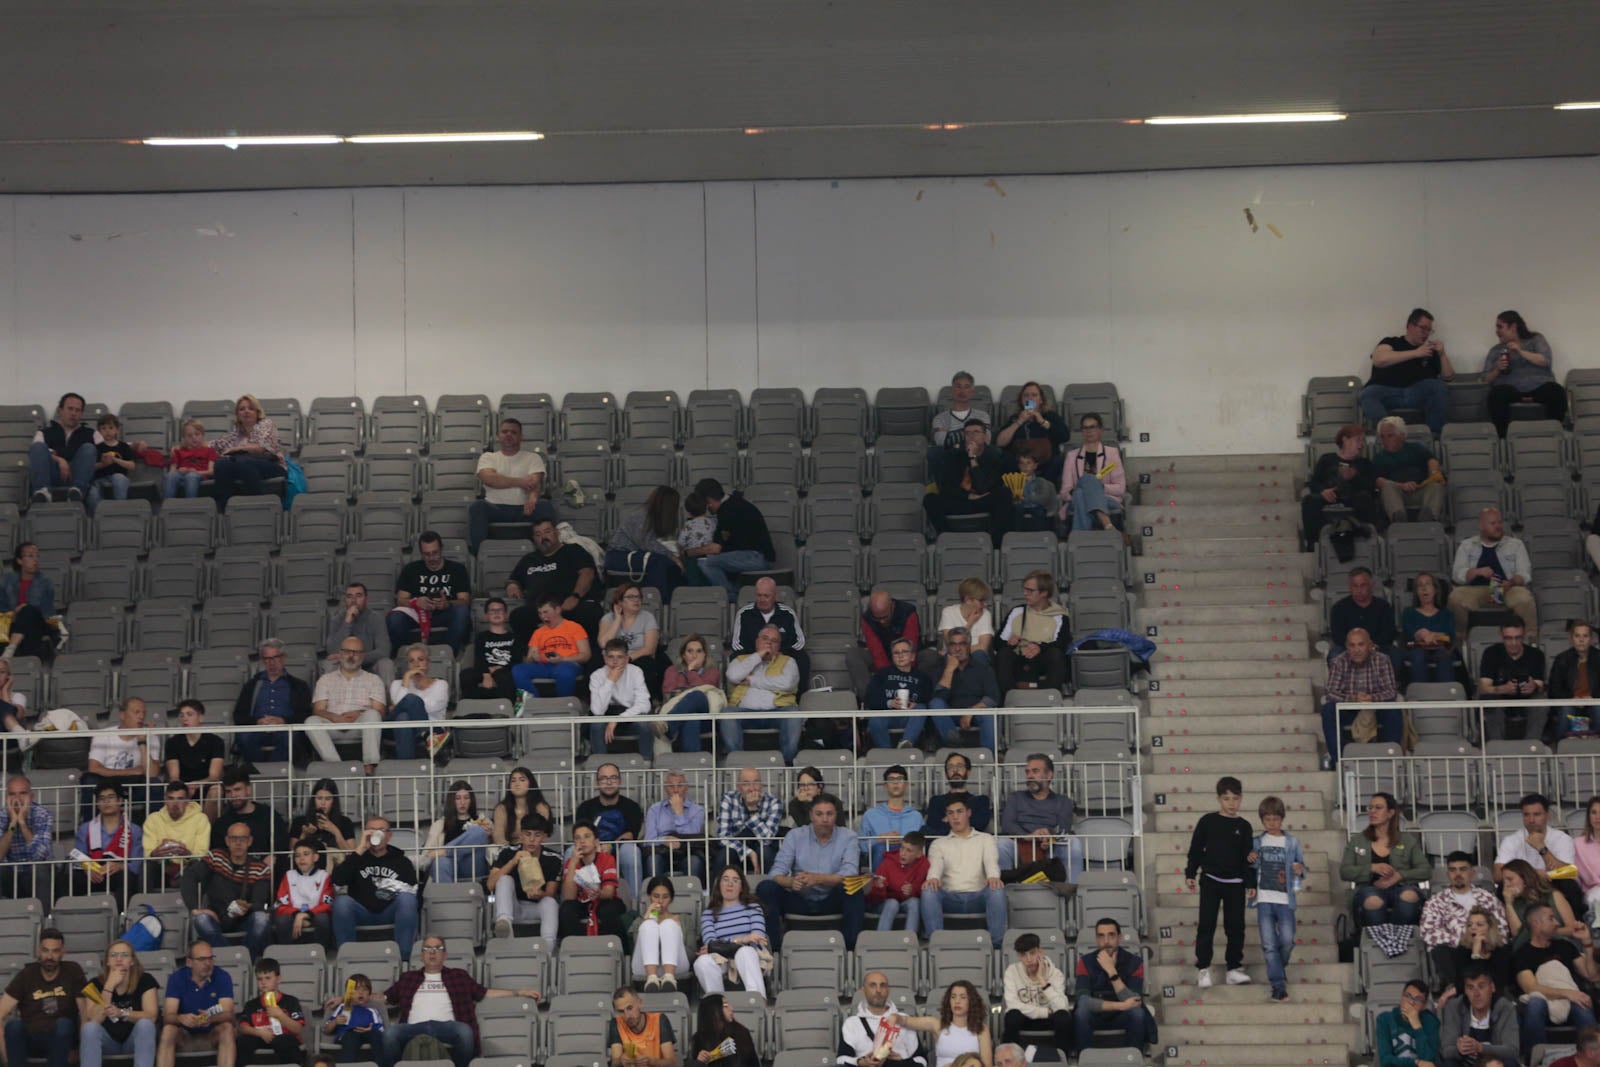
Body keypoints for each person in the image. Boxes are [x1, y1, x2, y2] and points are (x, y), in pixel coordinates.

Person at [378, 936, 540, 1067]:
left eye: (438, 948)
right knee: (390, 1034)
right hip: (413, 1027)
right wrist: (357, 997)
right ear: (422, 955)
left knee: (465, 1032)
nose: (432, 952)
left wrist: (518, 992)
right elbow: (385, 998)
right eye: (427, 948)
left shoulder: (458, 976)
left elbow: (484, 993)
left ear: (445, 955)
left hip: (447, 1026)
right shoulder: (408, 978)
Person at [756, 792, 865, 949]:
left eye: (829, 814)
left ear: (836, 815)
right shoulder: (795, 835)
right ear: (811, 815)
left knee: (854, 889)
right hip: (799, 899)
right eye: (819, 814)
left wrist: (818, 879)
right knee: (766, 888)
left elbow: (850, 874)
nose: (825, 819)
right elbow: (775, 874)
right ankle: (774, 950)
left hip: (831, 899)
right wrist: (791, 882)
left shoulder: (848, 837)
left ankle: (850, 950)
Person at [1185, 775, 1255, 988]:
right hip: (1211, 880)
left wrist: (1251, 883)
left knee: (1235, 927)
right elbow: (1195, 849)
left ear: (1241, 799)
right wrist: (1190, 873)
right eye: (1226, 799)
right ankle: (1203, 969)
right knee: (1206, 924)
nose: (1231, 803)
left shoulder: (1245, 826)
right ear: (1218, 799)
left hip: (1235, 884)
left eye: (1235, 798)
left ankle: (1233, 968)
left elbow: (1248, 858)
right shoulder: (1207, 821)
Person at [1512, 902, 1600, 1053]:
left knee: (1583, 1004)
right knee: (1535, 1005)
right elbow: (1531, 988)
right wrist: (1568, 993)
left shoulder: (1565, 946)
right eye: (1551, 918)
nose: (1557, 923)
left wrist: (1586, 942)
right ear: (1536, 923)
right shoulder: (1523, 954)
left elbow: (1591, 975)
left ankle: (1592, 1058)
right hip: (1543, 1001)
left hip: (1571, 1000)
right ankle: (1536, 1059)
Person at [1421, 853, 1511, 996]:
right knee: (1440, 951)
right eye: (1453, 870)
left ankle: (1499, 990)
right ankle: (1458, 989)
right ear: (1448, 873)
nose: (1457, 874)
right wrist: (1466, 941)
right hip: (1456, 951)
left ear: (1472, 872)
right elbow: (1430, 934)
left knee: (1505, 948)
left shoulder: (1488, 898)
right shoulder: (1436, 902)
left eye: (1462, 869)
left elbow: (1503, 929)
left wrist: (1484, 942)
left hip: (1486, 949)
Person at [182, 822, 273, 960]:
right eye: (233, 838)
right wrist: (195, 908)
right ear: (227, 841)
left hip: (244, 919)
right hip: (217, 917)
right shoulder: (216, 857)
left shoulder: (260, 868)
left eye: (242, 839)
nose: (238, 843)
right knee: (201, 919)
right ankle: (230, 959)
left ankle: (245, 961)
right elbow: (189, 876)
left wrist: (245, 907)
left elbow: (259, 903)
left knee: (261, 918)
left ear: (250, 841)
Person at [332, 816, 420, 959]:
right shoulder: (357, 858)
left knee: (407, 900)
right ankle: (346, 956)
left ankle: (404, 957)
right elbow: (337, 880)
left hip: (390, 910)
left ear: (389, 835)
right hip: (361, 910)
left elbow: (413, 890)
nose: (376, 834)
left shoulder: (401, 861)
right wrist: (359, 849)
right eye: (371, 830)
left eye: (380, 830)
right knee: (342, 903)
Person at [920, 796, 1005, 946]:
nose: (955, 817)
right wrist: (932, 878)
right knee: (928, 890)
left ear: (969, 813)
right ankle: (935, 944)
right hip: (950, 898)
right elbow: (935, 866)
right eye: (950, 813)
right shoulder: (938, 844)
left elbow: (991, 862)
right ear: (947, 817)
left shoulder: (985, 839)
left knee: (996, 888)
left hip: (977, 897)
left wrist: (993, 877)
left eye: (959, 812)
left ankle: (997, 945)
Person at [505, 517, 602, 646]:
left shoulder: (573, 551)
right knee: (518, 616)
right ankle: (534, 653)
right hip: (540, 609)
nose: (543, 537)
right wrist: (512, 585)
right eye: (538, 534)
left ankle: (586, 657)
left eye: (547, 532)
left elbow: (587, 573)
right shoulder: (529, 559)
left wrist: (575, 596)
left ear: (557, 533)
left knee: (590, 613)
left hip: (569, 605)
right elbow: (514, 579)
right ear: (534, 539)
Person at [1340, 792, 1429, 929]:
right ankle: (1378, 942)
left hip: (1401, 887)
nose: (1372, 812)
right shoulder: (1358, 840)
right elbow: (1344, 872)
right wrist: (1371, 868)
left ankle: (1399, 938)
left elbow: (1426, 871)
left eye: (1378, 807)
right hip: (1368, 888)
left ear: (1390, 813)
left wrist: (1400, 876)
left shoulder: (1406, 840)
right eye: (1370, 808)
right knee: (1373, 901)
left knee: (1409, 895)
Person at [1361, 307, 1454, 436]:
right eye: (1423, 328)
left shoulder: (1430, 351)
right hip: (1387, 391)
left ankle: (1434, 436)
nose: (1426, 334)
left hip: (1416, 393)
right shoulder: (1391, 342)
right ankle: (1386, 435)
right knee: (1368, 394)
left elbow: (1448, 377)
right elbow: (1379, 359)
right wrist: (1415, 353)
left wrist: (1442, 354)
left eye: (1429, 330)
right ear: (1410, 326)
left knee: (1438, 386)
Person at [1448, 508, 1536, 640]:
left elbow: (1525, 574)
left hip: (1508, 588)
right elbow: (1457, 575)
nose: (1498, 527)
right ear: (1482, 526)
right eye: (1493, 523)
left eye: (1500, 523)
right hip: (1476, 589)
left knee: (1524, 598)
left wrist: (1511, 582)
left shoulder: (1516, 544)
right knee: (1456, 598)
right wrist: (1477, 572)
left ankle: (1530, 639)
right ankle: (1459, 641)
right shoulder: (1467, 545)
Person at [1251, 795, 1307, 1002]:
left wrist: (1300, 869)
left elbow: (1302, 867)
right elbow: (1250, 867)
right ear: (1262, 820)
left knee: (1287, 940)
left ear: (1282, 818)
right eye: (1267, 820)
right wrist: (1250, 861)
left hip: (1285, 900)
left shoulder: (1291, 842)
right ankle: (1278, 985)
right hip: (1264, 899)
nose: (1272, 823)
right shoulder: (1257, 842)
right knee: (1269, 944)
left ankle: (1277, 969)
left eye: (1275, 819)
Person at [1, 929, 85, 1067]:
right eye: (45, 950)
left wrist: (81, 1049)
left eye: (55, 951)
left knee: (64, 1025)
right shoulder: (26, 974)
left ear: (63, 952)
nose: (50, 956)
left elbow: (85, 1012)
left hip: (61, 1038)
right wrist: (5, 1056)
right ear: (38, 952)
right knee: (13, 1026)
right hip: (31, 1039)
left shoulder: (73, 971)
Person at [469, 417, 553, 553]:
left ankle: (549, 553)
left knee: (544, 505)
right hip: (495, 508)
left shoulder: (532, 457)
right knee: (478, 507)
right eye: (505, 431)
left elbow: (534, 482)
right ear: (498, 436)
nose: (508, 435)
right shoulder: (488, 457)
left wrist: (532, 499)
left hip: (524, 509)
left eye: (514, 432)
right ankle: (479, 556)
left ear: (521, 437)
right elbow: (490, 480)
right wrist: (521, 482)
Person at [720, 625, 802, 763]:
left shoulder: (788, 661)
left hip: (778, 711)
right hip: (745, 712)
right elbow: (733, 676)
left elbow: (787, 683)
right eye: (765, 639)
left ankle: (787, 763)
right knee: (727, 713)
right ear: (757, 641)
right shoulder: (741, 660)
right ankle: (737, 763)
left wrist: (751, 680)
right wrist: (758, 655)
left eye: (774, 641)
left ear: (779, 646)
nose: (769, 643)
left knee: (794, 712)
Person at [924, 420, 1012, 547]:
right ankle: (947, 539)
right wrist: (966, 496)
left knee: (1004, 494)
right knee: (930, 499)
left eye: (976, 432)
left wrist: (973, 459)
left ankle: (996, 543)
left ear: (985, 436)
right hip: (961, 500)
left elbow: (984, 487)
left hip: (983, 500)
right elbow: (945, 487)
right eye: (967, 433)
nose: (971, 436)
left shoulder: (994, 457)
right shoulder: (953, 456)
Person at [1073, 917, 1154, 1053]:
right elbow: (1083, 1001)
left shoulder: (1135, 962)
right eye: (1101, 936)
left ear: (1119, 938)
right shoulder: (1085, 962)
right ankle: (1085, 1059)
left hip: (1122, 1016)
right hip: (1096, 1014)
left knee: (1137, 1014)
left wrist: (1112, 971)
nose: (1106, 941)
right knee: (1081, 1013)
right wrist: (1122, 1005)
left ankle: (1132, 1059)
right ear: (1096, 939)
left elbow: (1134, 1000)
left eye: (1111, 935)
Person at [1321, 628, 1400, 767]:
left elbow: (1391, 692)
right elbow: (1331, 693)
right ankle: (1338, 759)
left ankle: (1392, 758)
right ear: (1347, 647)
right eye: (1352, 645)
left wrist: (1371, 698)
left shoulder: (1382, 660)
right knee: (1328, 710)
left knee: (1393, 710)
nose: (1356, 650)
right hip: (1349, 709)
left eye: (1361, 644)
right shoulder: (1339, 662)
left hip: (1376, 708)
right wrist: (1352, 699)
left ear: (1370, 645)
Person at [307, 638, 388, 772]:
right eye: (347, 652)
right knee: (311, 721)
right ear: (340, 653)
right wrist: (334, 717)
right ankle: (336, 767)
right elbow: (318, 710)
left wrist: (359, 713)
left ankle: (370, 766)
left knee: (373, 714)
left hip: (360, 725)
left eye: (356, 652)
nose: (351, 656)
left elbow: (380, 711)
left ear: (362, 655)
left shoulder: (374, 679)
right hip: (333, 725)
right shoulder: (325, 680)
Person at [388, 531, 472, 657]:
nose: (432, 558)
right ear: (421, 553)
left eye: (435, 553)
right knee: (394, 618)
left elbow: (465, 600)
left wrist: (447, 603)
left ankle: (448, 655)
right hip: (417, 614)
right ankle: (408, 656)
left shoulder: (457, 569)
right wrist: (416, 602)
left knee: (462, 611)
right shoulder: (411, 569)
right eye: (427, 555)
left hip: (444, 613)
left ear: (441, 549)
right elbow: (401, 600)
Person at [692, 478, 777, 601]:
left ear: (709, 501)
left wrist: (692, 552)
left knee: (705, 562)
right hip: (754, 556)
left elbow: (719, 547)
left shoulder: (727, 511)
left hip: (757, 557)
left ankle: (730, 597)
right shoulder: (734, 504)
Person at [231, 639, 312, 767]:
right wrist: (257, 722)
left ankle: (273, 773)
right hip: (257, 729)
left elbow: (305, 715)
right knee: (244, 736)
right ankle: (259, 772)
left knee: (291, 738)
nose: (271, 663)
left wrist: (282, 720)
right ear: (263, 660)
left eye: (275, 658)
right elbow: (238, 715)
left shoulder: (298, 685)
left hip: (286, 729)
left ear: (284, 658)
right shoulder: (252, 685)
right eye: (267, 659)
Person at [78, 940, 159, 1067]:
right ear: (107, 962)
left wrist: (122, 1013)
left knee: (146, 1024)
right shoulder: (95, 984)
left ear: (132, 961)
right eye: (114, 955)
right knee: (89, 1028)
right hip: (107, 1043)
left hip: (133, 1041)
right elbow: (94, 1019)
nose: (119, 959)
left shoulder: (145, 980)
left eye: (125, 955)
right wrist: (109, 985)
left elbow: (152, 1016)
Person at [156, 939, 236, 1067]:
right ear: (189, 962)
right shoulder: (177, 978)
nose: (208, 963)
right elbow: (168, 1017)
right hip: (185, 1035)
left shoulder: (222, 976)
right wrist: (180, 1018)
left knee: (227, 1028)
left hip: (212, 1034)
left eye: (211, 958)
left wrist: (211, 1018)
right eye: (202, 959)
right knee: (168, 1030)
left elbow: (229, 1014)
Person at [1301, 423, 1380, 550]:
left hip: (1353, 496)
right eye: (1358, 440)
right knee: (1309, 501)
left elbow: (1371, 487)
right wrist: (1323, 491)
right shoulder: (1327, 459)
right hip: (1329, 495)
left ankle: (1365, 538)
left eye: (1362, 441)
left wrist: (1354, 478)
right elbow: (1314, 482)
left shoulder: (1364, 463)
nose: (1361, 445)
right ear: (1345, 439)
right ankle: (1313, 543)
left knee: (1365, 498)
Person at [1484, 310, 1563, 436]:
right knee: (1495, 395)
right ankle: (1503, 438)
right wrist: (1497, 368)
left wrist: (1520, 351)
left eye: (1500, 327)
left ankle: (1554, 434)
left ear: (1513, 327)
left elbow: (1545, 360)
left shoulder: (1536, 339)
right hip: (1511, 389)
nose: (1497, 331)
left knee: (1556, 392)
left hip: (1539, 386)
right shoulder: (1495, 350)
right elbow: (1486, 378)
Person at [694, 865, 769, 998]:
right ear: (719, 885)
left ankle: (757, 1001)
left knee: (744, 952)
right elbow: (710, 943)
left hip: (750, 954)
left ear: (741, 886)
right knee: (702, 962)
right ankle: (718, 1005)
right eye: (725, 879)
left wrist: (728, 944)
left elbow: (758, 937)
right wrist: (741, 940)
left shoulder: (753, 908)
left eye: (735, 880)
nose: (730, 884)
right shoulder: (709, 914)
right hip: (721, 958)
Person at [998, 753, 1078, 877]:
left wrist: (1049, 836)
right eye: (1027, 772)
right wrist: (1028, 836)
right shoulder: (1015, 797)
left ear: (1049, 775)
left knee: (1074, 842)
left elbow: (1063, 828)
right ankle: (1002, 891)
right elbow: (1007, 825)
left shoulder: (1064, 802)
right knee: (1001, 843)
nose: (1030, 776)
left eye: (1035, 771)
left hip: (1050, 847)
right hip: (1020, 845)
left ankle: (1072, 890)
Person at [1495, 793, 1579, 910]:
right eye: (1526, 815)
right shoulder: (1511, 840)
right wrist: (1532, 874)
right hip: (1522, 885)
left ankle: (1575, 925)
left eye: (1536, 814)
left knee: (1569, 885)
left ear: (1547, 815)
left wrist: (1542, 848)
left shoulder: (1562, 838)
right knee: (1501, 887)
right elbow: (1498, 874)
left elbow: (1569, 872)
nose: (1531, 820)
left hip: (1551, 884)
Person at [573, 762, 645, 898]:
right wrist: (595, 846)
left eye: (613, 778)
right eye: (604, 778)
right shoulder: (585, 807)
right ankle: (570, 901)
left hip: (619, 848)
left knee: (631, 851)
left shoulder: (632, 807)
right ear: (597, 783)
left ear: (620, 781)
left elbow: (630, 835)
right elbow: (581, 833)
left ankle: (635, 902)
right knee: (571, 851)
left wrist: (611, 845)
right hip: (591, 848)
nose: (609, 782)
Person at [922, 628, 999, 753]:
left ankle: (989, 758)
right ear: (948, 648)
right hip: (951, 713)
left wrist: (970, 712)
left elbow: (993, 697)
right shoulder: (940, 668)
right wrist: (949, 670)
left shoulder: (983, 667)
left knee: (988, 714)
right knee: (935, 704)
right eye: (953, 644)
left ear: (969, 646)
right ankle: (955, 745)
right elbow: (937, 697)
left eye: (962, 644)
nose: (957, 649)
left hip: (976, 712)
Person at [489, 812, 562, 945]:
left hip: (536, 907)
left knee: (550, 903)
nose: (532, 839)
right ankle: (504, 923)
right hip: (512, 907)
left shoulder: (554, 858)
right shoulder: (507, 852)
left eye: (537, 834)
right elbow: (490, 885)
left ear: (544, 837)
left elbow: (551, 893)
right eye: (527, 834)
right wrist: (513, 862)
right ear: (521, 835)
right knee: (505, 879)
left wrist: (540, 894)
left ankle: (548, 949)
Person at [993, 571, 1069, 694]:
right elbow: (997, 643)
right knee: (1003, 654)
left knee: (1056, 655)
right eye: (1025, 589)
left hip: (1042, 659)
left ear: (1044, 593)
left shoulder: (1059, 615)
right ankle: (1008, 699)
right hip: (1020, 657)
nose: (1025, 593)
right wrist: (1010, 643)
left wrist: (1040, 647)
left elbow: (1061, 643)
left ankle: (1051, 696)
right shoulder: (1017, 612)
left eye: (1030, 591)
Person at [86, 696, 163, 815]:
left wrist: (142, 742)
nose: (141, 716)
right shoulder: (103, 735)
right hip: (108, 784)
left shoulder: (151, 737)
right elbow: (94, 768)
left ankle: (154, 830)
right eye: (136, 712)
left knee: (155, 785)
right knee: (89, 780)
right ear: (122, 715)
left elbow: (153, 774)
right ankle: (89, 829)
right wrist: (131, 771)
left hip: (136, 785)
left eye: (143, 713)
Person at [603, 485, 684, 599]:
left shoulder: (653, 517)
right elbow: (647, 543)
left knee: (670, 565)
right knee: (659, 562)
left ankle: (672, 600)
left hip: (634, 554)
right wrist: (672, 557)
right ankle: (658, 600)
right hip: (618, 556)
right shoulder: (640, 516)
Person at [847, 590, 929, 700]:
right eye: (877, 618)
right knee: (853, 654)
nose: (881, 622)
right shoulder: (867, 618)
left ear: (891, 605)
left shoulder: (908, 612)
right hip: (884, 657)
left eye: (884, 617)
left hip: (909, 657)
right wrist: (889, 678)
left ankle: (920, 697)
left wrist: (902, 675)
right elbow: (876, 651)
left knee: (931, 657)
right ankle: (870, 699)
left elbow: (909, 645)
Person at [208, 394, 285, 510]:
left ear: (257, 412)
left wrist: (238, 448)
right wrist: (182, 446)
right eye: (242, 409)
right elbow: (213, 445)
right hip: (244, 467)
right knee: (221, 464)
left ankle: (258, 507)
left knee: (244, 462)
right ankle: (224, 510)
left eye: (250, 408)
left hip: (273, 466)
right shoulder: (236, 434)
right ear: (238, 415)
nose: (246, 411)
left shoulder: (265, 424)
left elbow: (261, 448)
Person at [891, 980, 993, 1067]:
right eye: (953, 997)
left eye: (962, 997)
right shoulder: (937, 1024)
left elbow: (987, 1065)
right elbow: (907, 1021)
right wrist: (895, 1017)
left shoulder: (982, 1030)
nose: (957, 1001)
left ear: (971, 1001)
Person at [1477, 621, 1548, 743]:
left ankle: (1531, 745)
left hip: (1527, 699)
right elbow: (1483, 687)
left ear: (1524, 635)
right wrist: (1501, 689)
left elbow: (1540, 685)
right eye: (1508, 638)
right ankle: (1497, 746)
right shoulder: (1491, 653)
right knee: (1490, 701)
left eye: (1518, 638)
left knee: (1541, 702)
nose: (1514, 643)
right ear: (1501, 635)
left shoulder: (1536, 654)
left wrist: (1533, 686)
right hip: (1500, 698)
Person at [1001, 932, 1071, 1053]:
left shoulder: (1055, 974)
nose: (1028, 959)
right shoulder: (1011, 972)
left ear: (1040, 952)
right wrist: (1043, 1012)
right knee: (1012, 1015)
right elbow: (1012, 1004)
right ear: (1018, 956)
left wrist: (1042, 981)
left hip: (1049, 1020)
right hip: (1028, 1017)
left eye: (1032, 953)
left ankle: (1061, 1058)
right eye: (1023, 955)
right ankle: (1010, 1058)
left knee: (1063, 1017)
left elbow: (1062, 1006)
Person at [838, 971, 926, 1067]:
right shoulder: (852, 1023)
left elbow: (922, 1061)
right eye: (872, 985)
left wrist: (901, 1062)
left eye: (883, 985)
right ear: (863, 991)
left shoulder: (903, 1019)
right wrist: (860, 1062)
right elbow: (841, 1060)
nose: (878, 990)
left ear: (888, 990)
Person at [510, 595, 591, 699]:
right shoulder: (538, 632)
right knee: (518, 670)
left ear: (557, 610)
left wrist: (562, 659)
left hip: (568, 664)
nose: (543, 617)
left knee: (564, 671)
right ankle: (534, 705)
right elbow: (529, 658)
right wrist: (534, 658)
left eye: (546, 612)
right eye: (540, 613)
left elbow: (586, 655)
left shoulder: (575, 627)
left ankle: (564, 707)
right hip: (544, 665)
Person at [73, 780, 144, 898]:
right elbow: (79, 857)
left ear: (120, 800)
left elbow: (136, 864)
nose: (106, 802)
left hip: (118, 873)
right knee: (73, 877)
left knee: (127, 878)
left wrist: (120, 866)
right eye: (101, 798)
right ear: (97, 803)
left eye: (111, 797)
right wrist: (88, 869)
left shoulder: (134, 830)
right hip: (93, 872)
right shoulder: (85, 828)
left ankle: (123, 915)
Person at [1058, 411, 1126, 533]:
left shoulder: (1112, 453)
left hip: (1107, 499)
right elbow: (1065, 492)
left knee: (1082, 490)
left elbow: (1120, 488)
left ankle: (1080, 537)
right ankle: (1107, 523)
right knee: (1082, 489)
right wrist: (1090, 485)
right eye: (1085, 428)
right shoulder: (1072, 456)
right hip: (1076, 500)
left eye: (1092, 427)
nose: (1088, 431)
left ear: (1101, 430)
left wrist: (1097, 486)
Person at [558, 820, 627, 939]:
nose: (582, 841)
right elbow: (569, 896)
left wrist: (599, 893)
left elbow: (609, 892)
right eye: (577, 838)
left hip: (604, 900)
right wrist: (573, 864)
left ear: (596, 842)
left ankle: (617, 950)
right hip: (581, 902)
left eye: (587, 836)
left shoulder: (607, 859)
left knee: (608, 911)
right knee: (566, 909)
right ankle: (574, 949)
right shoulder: (571, 862)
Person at [728, 577, 808, 679]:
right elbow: (736, 645)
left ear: (775, 596)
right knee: (734, 658)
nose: (762, 599)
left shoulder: (788, 613)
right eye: (759, 595)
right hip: (753, 656)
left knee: (802, 658)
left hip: (781, 656)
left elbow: (799, 643)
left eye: (766, 596)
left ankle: (800, 694)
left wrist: (779, 653)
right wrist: (758, 655)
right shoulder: (744, 614)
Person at [1501, 860, 1587, 952]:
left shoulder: (1553, 896)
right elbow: (1518, 935)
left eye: (1510, 879)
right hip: (1532, 951)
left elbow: (1572, 929)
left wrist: (1548, 931)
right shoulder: (1513, 905)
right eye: (1504, 881)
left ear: (1525, 878)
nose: (1506, 885)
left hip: (1561, 945)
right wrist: (1509, 904)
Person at [866, 640, 937, 752]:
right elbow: (870, 699)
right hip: (887, 714)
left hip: (910, 716)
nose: (900, 656)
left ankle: (905, 744)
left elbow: (929, 698)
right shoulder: (881, 675)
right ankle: (886, 753)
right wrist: (890, 703)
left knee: (921, 708)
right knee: (875, 719)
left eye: (904, 652)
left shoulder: (923, 677)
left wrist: (915, 704)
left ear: (912, 656)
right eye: (896, 653)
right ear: (892, 657)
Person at [1373, 416, 1447, 524]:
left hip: (1421, 489)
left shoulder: (1416, 448)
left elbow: (1431, 461)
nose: (1385, 440)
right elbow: (1378, 481)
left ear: (1402, 436)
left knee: (1436, 485)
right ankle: (1398, 518)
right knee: (1387, 486)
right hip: (1397, 492)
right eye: (1382, 437)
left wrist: (1434, 473)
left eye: (1390, 436)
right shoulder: (1379, 457)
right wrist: (1402, 485)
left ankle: (1429, 517)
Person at [589, 638, 655, 757]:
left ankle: (647, 763)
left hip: (629, 715)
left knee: (644, 724)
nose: (615, 661)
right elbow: (597, 711)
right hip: (606, 714)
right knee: (596, 725)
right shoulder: (597, 675)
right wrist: (610, 681)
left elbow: (644, 705)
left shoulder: (636, 672)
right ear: (605, 658)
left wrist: (618, 719)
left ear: (626, 659)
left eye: (619, 657)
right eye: (611, 657)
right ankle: (600, 763)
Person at [234, 958, 305, 1065]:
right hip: (260, 1036)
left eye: (268, 978)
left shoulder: (290, 1001)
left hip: (283, 1037)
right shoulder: (251, 1004)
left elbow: (298, 1029)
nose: (263, 983)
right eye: (260, 979)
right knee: (242, 1041)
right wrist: (259, 1032)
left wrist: (280, 1015)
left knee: (285, 1041)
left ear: (278, 979)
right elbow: (242, 1027)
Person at [420, 781, 492, 885]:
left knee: (478, 831)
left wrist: (490, 836)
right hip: (449, 867)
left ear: (471, 800)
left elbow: (494, 848)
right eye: (458, 798)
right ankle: (448, 900)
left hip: (472, 866)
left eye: (466, 798)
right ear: (451, 801)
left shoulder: (483, 820)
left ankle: (444, 851)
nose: (462, 802)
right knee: (440, 862)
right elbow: (426, 856)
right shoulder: (440, 824)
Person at [28, 392, 96, 503]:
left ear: (81, 414)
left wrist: (132, 447)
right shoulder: (43, 433)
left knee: (89, 448)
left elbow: (109, 448)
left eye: (77, 410)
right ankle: (42, 492)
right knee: (38, 446)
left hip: (78, 473)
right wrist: (60, 460)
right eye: (70, 409)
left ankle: (77, 492)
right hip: (52, 473)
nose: (73, 413)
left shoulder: (91, 433)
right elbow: (36, 452)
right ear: (60, 411)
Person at [994, 381, 1068, 483]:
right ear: (1021, 400)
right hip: (1020, 466)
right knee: (1003, 459)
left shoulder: (1050, 416)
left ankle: (1045, 490)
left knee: (1057, 460)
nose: (1030, 398)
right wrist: (1019, 422)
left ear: (1041, 400)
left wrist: (1042, 422)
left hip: (1045, 465)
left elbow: (1064, 436)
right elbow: (1000, 442)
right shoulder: (1015, 419)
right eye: (1026, 395)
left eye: (1034, 395)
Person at [387, 643, 451, 760]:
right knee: (405, 710)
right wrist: (406, 680)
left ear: (428, 662)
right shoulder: (397, 684)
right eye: (411, 661)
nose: (416, 664)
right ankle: (429, 737)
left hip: (433, 726)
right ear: (407, 665)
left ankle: (407, 770)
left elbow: (430, 707)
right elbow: (398, 706)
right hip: (399, 729)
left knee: (404, 716)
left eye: (420, 660)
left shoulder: (441, 685)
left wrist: (407, 703)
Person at [144, 780, 212, 889]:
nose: (175, 804)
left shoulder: (200, 819)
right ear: (165, 800)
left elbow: (201, 854)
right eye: (171, 799)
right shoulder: (153, 819)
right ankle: (144, 903)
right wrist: (155, 854)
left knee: (198, 866)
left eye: (180, 799)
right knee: (146, 866)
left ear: (187, 801)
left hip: (187, 867)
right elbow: (147, 853)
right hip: (161, 867)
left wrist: (187, 854)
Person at [599, 583, 667, 691]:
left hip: (638, 657)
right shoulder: (608, 618)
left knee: (647, 665)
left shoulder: (647, 617)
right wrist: (617, 620)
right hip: (612, 658)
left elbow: (650, 649)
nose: (636, 600)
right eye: (630, 597)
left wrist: (627, 658)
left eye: (638, 597)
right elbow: (603, 644)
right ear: (620, 601)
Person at [659, 633, 720, 753]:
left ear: (705, 655)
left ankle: (668, 726)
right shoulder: (672, 671)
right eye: (690, 651)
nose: (694, 655)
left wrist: (691, 671)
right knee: (692, 719)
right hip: (683, 715)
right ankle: (693, 762)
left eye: (699, 651)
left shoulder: (713, 672)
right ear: (683, 655)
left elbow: (703, 690)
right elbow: (668, 694)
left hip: (707, 716)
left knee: (697, 695)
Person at [325, 584, 394, 689]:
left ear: (366, 599)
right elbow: (333, 651)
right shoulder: (337, 620)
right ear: (345, 600)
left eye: (358, 596)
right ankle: (331, 704)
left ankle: (388, 703)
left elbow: (384, 651)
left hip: (370, 665)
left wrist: (357, 658)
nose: (353, 600)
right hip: (346, 665)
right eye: (349, 596)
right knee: (329, 664)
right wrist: (347, 622)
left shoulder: (376, 619)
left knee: (386, 664)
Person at [210, 768, 291, 855]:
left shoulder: (270, 816)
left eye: (237, 789)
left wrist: (274, 858)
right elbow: (218, 855)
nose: (233, 795)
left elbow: (283, 849)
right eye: (228, 791)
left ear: (248, 790)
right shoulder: (221, 824)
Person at [929, 371, 992, 483]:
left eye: (966, 387)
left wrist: (951, 437)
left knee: (995, 452)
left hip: (978, 455)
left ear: (972, 392)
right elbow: (940, 441)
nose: (962, 391)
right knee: (934, 452)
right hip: (952, 458)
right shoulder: (940, 418)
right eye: (958, 387)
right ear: (952, 390)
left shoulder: (983, 415)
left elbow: (986, 440)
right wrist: (974, 434)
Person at [642, 772, 706, 881]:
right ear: (665, 788)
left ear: (686, 788)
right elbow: (648, 840)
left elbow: (693, 838)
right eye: (671, 786)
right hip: (662, 851)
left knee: (694, 861)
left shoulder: (697, 810)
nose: (676, 790)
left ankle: (691, 894)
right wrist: (664, 840)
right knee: (653, 860)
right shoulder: (655, 809)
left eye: (680, 785)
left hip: (688, 851)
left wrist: (679, 813)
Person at [0, 774, 54, 902]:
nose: (17, 799)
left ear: (31, 796)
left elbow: (40, 855)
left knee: (40, 870)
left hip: (34, 873)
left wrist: (23, 824)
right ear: (7, 798)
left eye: (22, 793)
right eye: (12, 794)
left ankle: (44, 919)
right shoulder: (2, 815)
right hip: (10, 873)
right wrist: (13, 823)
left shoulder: (42, 814)